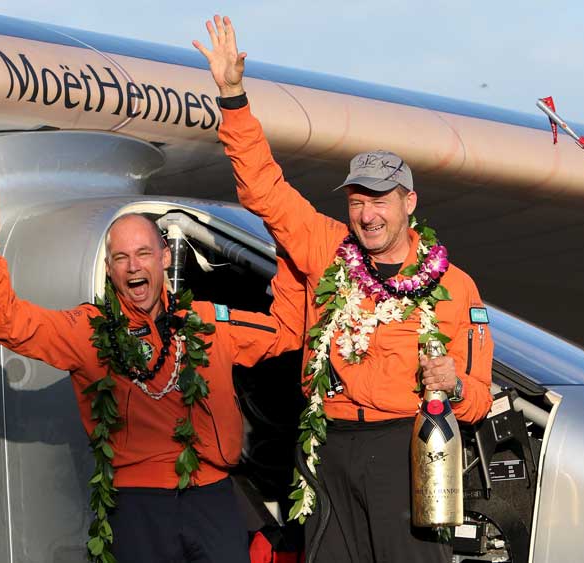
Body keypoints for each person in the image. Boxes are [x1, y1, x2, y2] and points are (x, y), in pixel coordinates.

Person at [194, 16, 494, 563]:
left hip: (407, 448)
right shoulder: (325, 248)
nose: (367, 213)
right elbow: (264, 189)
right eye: (357, 200)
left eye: (380, 199)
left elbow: (480, 398)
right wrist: (232, 96)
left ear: (410, 202)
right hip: (328, 443)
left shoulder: (455, 286)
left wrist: (452, 384)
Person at [0, 191, 305, 563]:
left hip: (213, 499)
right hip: (138, 505)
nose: (133, 266)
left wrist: (285, 252)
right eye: (121, 258)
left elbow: (286, 332)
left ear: (165, 257)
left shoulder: (206, 321)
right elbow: (9, 323)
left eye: (143, 253)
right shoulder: (89, 331)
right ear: (110, 269)